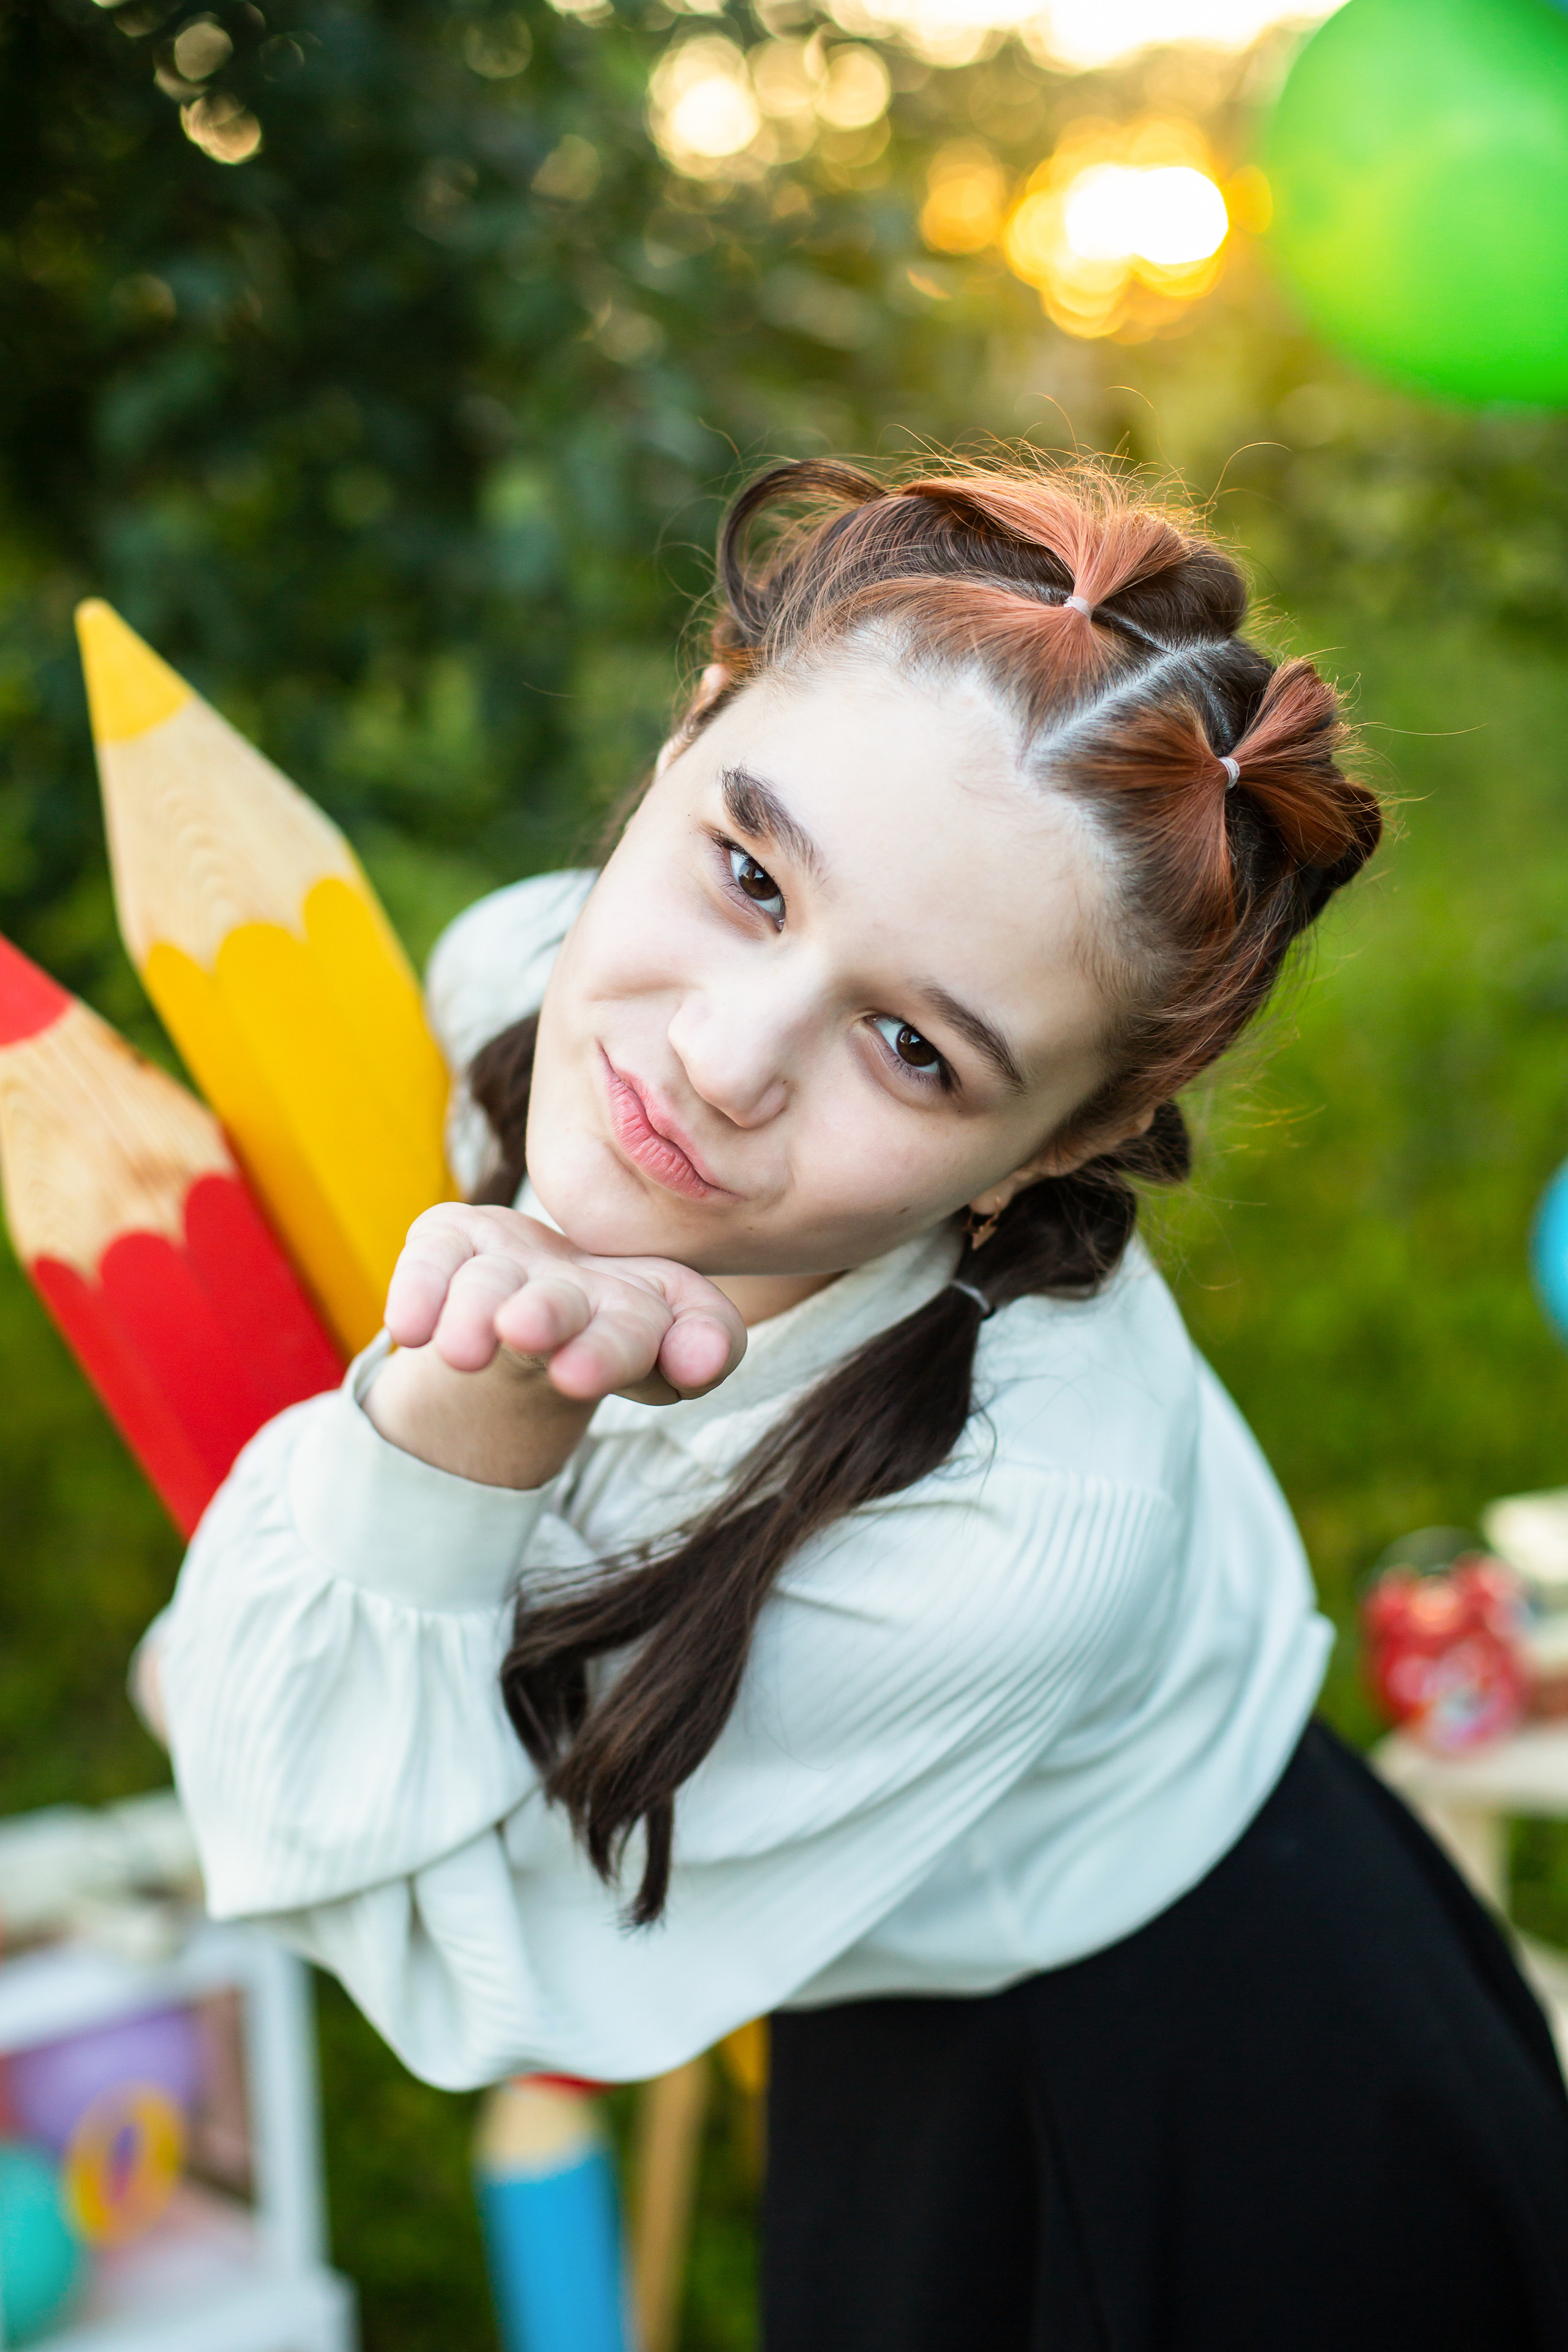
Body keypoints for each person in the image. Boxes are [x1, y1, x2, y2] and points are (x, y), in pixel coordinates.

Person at [140, 459, 1568, 2350]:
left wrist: (446, 1450)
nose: (715, 1060)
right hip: (868, 1956)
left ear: (1057, 1148)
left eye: (912, 1047)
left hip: (1183, 2098)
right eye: (748, 872)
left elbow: (469, 1964)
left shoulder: (1023, 1516)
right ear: (693, 724)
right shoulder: (517, 970)